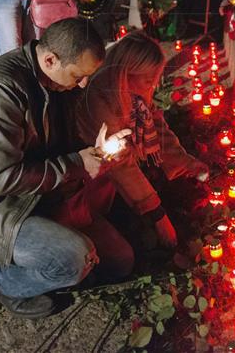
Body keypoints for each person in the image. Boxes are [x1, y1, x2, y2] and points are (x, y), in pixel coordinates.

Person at [0, 18, 132, 319]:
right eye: (79, 76)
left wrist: (98, 150)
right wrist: (76, 163)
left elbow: (63, 147)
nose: (84, 84)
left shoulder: (58, 82)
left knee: (120, 261)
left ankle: (55, 256)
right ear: (50, 59)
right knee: (75, 260)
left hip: (42, 194)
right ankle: (2, 281)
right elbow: (2, 178)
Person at [72, 31, 209, 251]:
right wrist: (158, 216)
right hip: (91, 181)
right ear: (126, 73)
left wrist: (184, 162)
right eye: (147, 80)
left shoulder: (133, 94)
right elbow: (120, 164)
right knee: (126, 252)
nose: (152, 86)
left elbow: (155, 122)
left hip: (117, 170)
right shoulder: (100, 99)